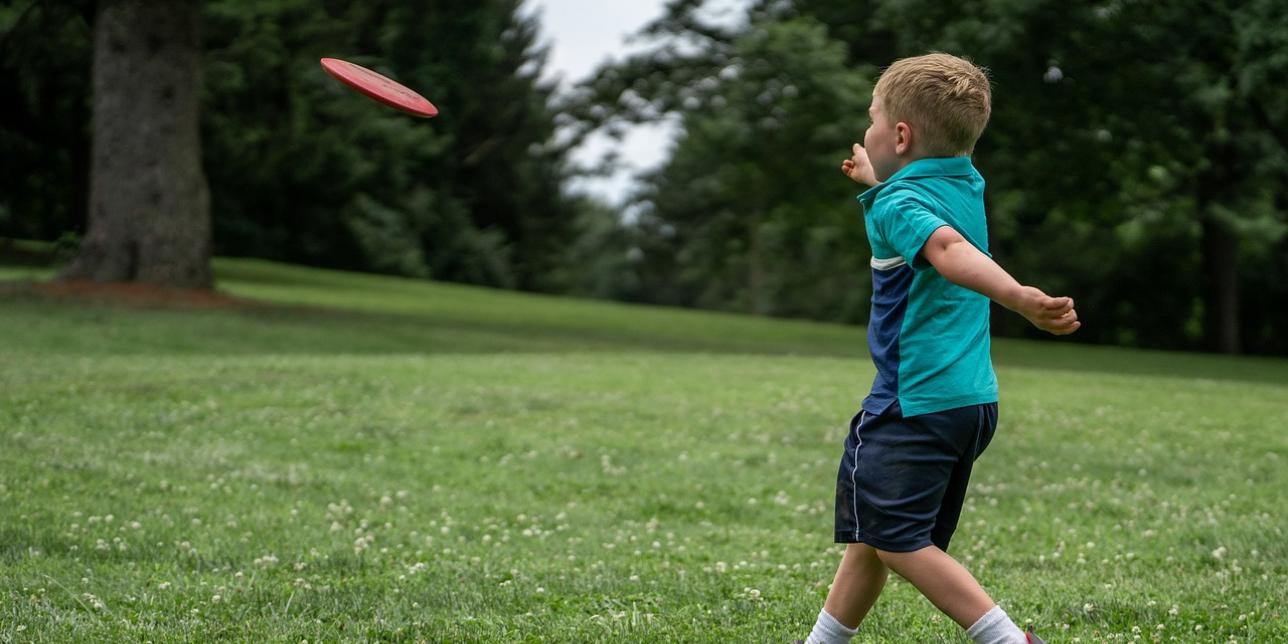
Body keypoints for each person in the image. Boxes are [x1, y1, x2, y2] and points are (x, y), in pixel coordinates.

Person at [801, 53, 1079, 644]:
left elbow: (947, 250)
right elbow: (923, 202)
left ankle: (1009, 640)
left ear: (900, 135)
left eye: (872, 118)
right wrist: (877, 181)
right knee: (877, 533)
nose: (867, 127)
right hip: (970, 402)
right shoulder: (963, 180)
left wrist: (1020, 298)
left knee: (897, 540)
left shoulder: (900, 206)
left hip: (913, 401)